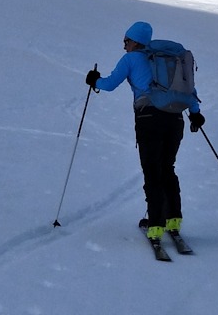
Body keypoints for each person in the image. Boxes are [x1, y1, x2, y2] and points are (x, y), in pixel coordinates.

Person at [85, 21, 206, 241]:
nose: (124, 46)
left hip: (148, 118)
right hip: (175, 118)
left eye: (126, 41)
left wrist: (94, 81)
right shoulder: (164, 60)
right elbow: (189, 88)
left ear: (134, 41)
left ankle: (156, 225)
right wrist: (196, 113)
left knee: (152, 171)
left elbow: (110, 84)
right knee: (167, 167)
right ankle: (173, 220)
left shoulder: (131, 59)